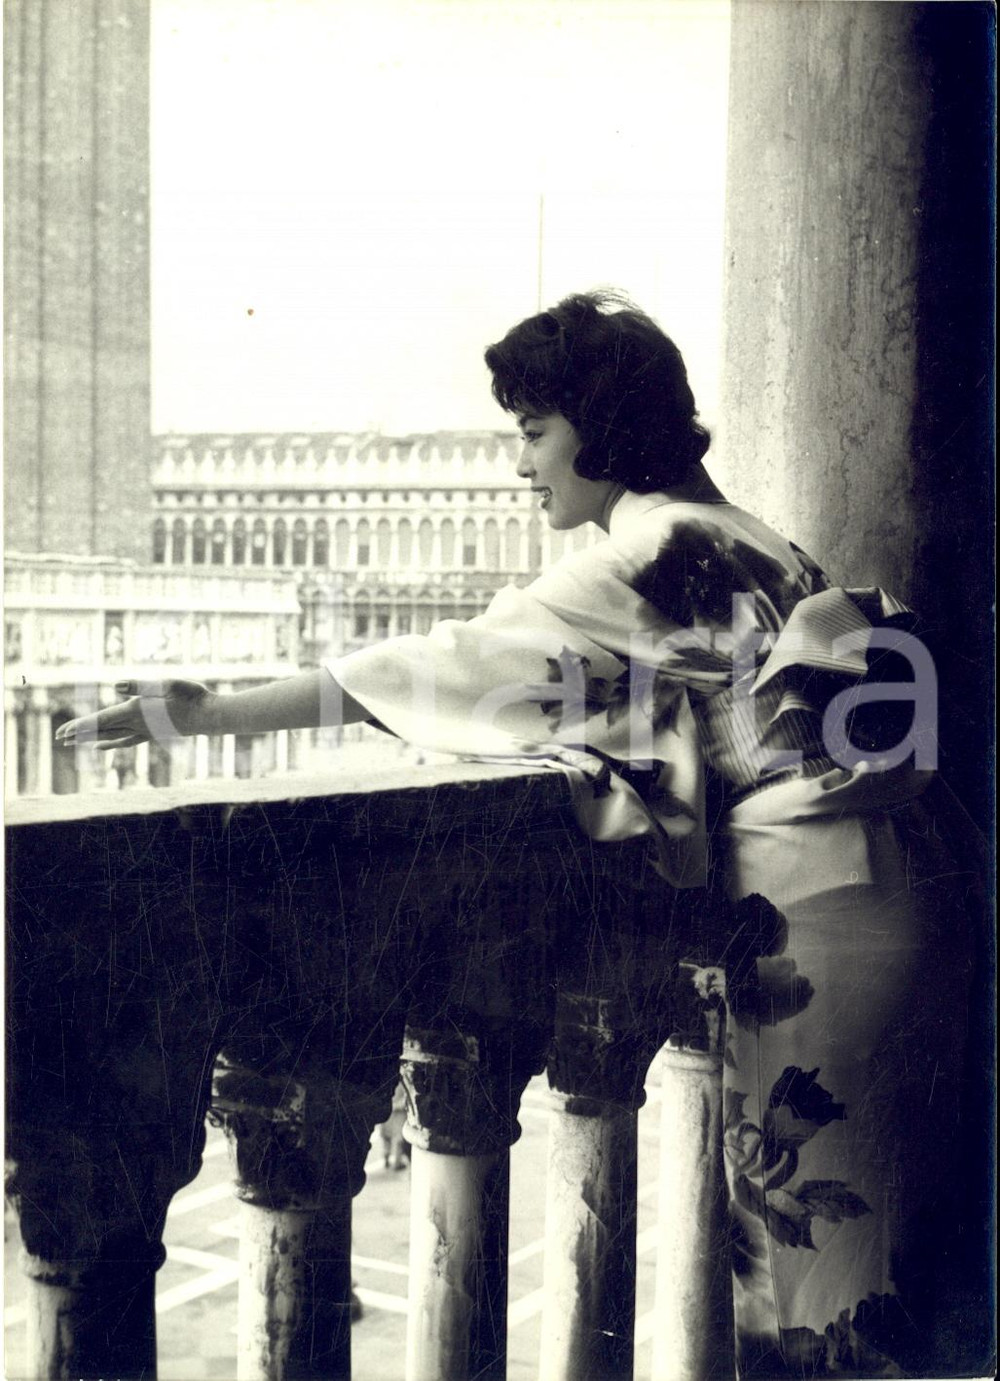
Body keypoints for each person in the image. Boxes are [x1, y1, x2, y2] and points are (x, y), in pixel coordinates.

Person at [57, 291, 984, 1378]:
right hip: (909, 878)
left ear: (600, 426)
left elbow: (436, 668)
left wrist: (205, 712)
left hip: (818, 915)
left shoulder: (643, 552)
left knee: (810, 1265)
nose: (519, 463)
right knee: (881, 1246)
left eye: (533, 431)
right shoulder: (745, 532)